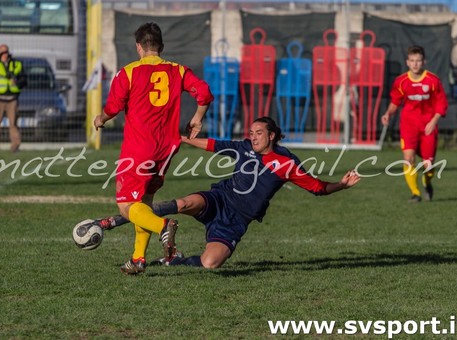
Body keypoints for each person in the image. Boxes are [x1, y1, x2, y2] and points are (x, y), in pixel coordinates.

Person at [95, 117, 361, 270]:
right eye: (251, 133)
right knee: (185, 202)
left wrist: (342, 185)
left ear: (272, 135)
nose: (253, 137)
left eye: (259, 133)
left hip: (236, 221)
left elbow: (317, 188)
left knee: (211, 263)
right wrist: (184, 139)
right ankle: (120, 218)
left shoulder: (287, 163)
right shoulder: (243, 147)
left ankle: (173, 260)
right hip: (220, 199)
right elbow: (212, 144)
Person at [93, 22, 213, 275]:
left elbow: (113, 108)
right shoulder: (177, 70)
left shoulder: (128, 72)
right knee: (143, 203)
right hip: (167, 149)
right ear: (161, 46)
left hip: (139, 149)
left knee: (127, 206)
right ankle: (138, 259)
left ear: (139, 46)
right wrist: (197, 118)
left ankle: (163, 226)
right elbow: (204, 92)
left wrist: (100, 120)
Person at [381, 45, 448, 203]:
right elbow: (395, 102)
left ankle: (427, 182)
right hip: (409, 125)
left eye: (418, 61)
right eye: (412, 61)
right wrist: (388, 113)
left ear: (424, 62)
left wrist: (434, 121)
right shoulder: (401, 81)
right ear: (407, 62)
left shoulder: (432, 80)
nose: (415, 64)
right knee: (408, 159)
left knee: (428, 164)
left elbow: (441, 103)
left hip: (428, 126)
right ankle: (415, 193)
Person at [0, 44, 27, 152]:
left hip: (12, 99)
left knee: (13, 124)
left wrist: (17, 82)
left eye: (5, 52)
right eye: (1, 52)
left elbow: (24, 79)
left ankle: (15, 146)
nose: (4, 54)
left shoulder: (17, 64)